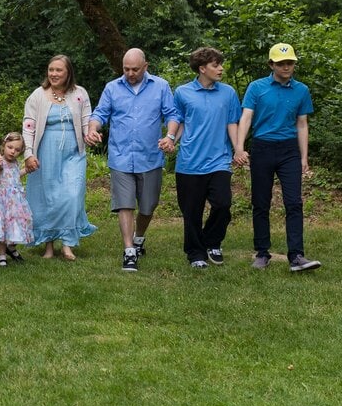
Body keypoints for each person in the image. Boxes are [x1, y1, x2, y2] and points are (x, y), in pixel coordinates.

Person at [86, 48, 180, 272]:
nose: (130, 73)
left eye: (135, 69)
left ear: (145, 66)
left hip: (150, 157)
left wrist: (170, 136)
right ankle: (129, 251)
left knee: (148, 206)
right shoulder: (112, 88)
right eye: (126, 69)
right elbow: (99, 114)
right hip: (121, 157)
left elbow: (173, 115)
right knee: (125, 204)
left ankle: (139, 237)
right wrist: (92, 129)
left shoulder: (160, 86)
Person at [235, 43, 322, 272]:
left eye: (290, 63)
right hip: (262, 148)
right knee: (261, 203)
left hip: (289, 151)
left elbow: (302, 124)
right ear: (271, 64)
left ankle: (296, 256)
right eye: (281, 63)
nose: (286, 67)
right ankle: (262, 253)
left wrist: (304, 157)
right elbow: (246, 118)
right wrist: (239, 147)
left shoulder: (301, 90)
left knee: (294, 203)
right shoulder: (257, 87)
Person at [172, 47, 243, 269]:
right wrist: (171, 139)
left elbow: (233, 122)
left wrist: (238, 149)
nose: (221, 68)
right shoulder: (182, 92)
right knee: (191, 212)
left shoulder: (228, 92)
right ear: (202, 68)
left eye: (220, 64)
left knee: (223, 204)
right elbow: (180, 120)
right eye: (215, 65)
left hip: (219, 161)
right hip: (189, 162)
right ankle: (195, 253)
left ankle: (212, 242)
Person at [22, 55, 96, 260]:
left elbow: (86, 122)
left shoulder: (80, 94)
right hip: (45, 152)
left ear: (68, 72)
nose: (53, 74)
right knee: (47, 197)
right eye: (50, 70)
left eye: (58, 70)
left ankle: (67, 243)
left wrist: (90, 134)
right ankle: (48, 245)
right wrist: (28, 153)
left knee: (72, 195)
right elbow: (28, 127)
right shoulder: (38, 95)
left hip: (74, 153)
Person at [0, 133, 34, 267]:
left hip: (15, 202)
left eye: (17, 150)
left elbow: (16, 175)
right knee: (2, 226)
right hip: (2, 201)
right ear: (3, 146)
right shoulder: (0, 161)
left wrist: (26, 170)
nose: (13, 151)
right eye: (10, 147)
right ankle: (1, 255)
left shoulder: (15, 163)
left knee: (18, 223)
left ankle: (11, 247)